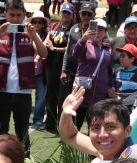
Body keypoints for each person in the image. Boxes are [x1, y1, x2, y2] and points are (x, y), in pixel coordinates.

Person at [0, 0, 48, 151]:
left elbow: (44, 54)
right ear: (5, 14)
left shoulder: (30, 33)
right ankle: (0, 161)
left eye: (19, 15)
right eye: (11, 15)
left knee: (22, 132)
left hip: (22, 92)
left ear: (24, 14)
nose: (15, 19)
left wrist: (34, 37)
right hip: (0, 91)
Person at [59, 94, 133, 163]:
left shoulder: (134, 159)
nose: (102, 135)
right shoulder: (109, 150)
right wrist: (65, 114)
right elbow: (70, 136)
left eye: (111, 127)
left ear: (127, 131)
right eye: (96, 128)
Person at [70, 18, 113, 130]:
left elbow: (109, 70)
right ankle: (71, 147)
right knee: (76, 124)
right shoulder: (85, 44)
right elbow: (75, 54)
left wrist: (110, 86)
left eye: (101, 30)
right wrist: (82, 40)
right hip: (83, 92)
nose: (97, 32)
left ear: (105, 33)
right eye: (95, 29)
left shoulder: (108, 49)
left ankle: (91, 147)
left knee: (95, 126)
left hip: (100, 94)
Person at [60, 3, 95, 129]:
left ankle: (81, 132)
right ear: (79, 14)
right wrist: (64, 70)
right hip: (71, 71)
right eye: (83, 13)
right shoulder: (74, 28)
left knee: (83, 105)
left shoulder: (97, 31)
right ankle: (68, 129)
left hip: (86, 75)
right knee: (70, 102)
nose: (86, 16)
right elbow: (68, 50)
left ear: (94, 15)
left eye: (89, 14)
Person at [42, 3, 74, 133]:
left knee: (63, 96)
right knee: (50, 95)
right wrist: (48, 44)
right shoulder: (55, 26)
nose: (65, 14)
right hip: (51, 64)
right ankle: (50, 123)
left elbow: (71, 48)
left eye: (68, 13)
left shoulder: (73, 29)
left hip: (64, 67)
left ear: (72, 15)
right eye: (64, 12)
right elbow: (47, 40)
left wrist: (55, 49)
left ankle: (62, 125)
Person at [112, 44, 137, 111]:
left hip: (132, 110)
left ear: (132, 59)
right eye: (120, 56)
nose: (120, 58)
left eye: (123, 56)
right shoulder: (117, 71)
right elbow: (113, 86)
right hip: (117, 108)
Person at [30, 11, 50, 130]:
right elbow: (37, 47)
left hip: (42, 71)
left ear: (43, 24)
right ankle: (24, 117)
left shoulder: (47, 36)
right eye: (34, 22)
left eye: (39, 22)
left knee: (41, 97)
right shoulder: (28, 35)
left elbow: (44, 50)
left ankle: (37, 120)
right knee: (26, 97)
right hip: (28, 70)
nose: (36, 24)